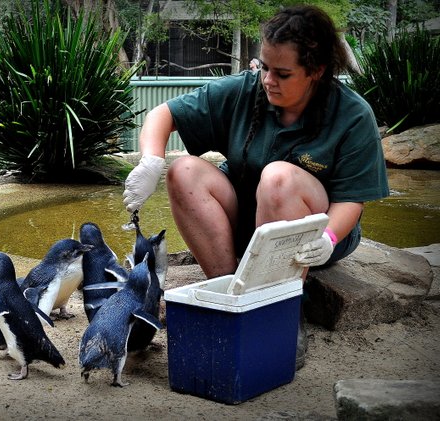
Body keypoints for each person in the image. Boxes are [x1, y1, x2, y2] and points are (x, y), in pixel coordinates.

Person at [122, 5, 389, 367]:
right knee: (182, 170)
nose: (267, 80)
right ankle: (232, 292)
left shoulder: (353, 115)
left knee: (279, 178)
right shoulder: (247, 91)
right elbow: (163, 114)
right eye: (264, 67)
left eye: (282, 73)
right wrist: (150, 160)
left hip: (316, 232)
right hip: (247, 216)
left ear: (316, 71)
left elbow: (352, 201)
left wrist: (327, 240)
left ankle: (281, 308)